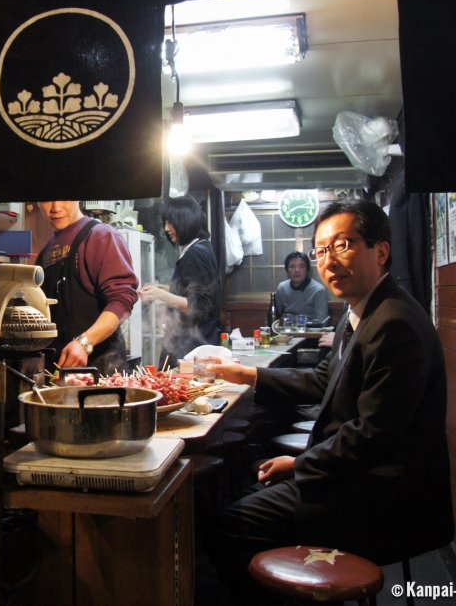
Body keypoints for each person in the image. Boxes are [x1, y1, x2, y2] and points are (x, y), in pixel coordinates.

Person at [207, 199, 453, 604]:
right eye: (321, 250)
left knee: (230, 524)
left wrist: (300, 464)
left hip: (383, 494)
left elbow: (373, 435)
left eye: (343, 245)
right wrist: (248, 374)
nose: (329, 260)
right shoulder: (361, 310)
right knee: (246, 493)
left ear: (382, 251)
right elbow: (325, 380)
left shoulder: (394, 323)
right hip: (360, 474)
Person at [36, 201, 138, 373]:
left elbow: (121, 301)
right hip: (60, 371)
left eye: (64, 198)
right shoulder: (47, 250)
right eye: (47, 199)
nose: (56, 207)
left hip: (102, 370)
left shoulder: (101, 236)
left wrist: (85, 342)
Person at [138, 195, 220, 369]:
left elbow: (200, 307)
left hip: (191, 350)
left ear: (185, 221)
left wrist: (161, 295)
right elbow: (197, 290)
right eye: (165, 223)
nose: (166, 228)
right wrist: (167, 288)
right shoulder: (201, 247)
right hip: (194, 346)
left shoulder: (195, 253)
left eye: (171, 223)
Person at [274, 251, 329, 324]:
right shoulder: (282, 288)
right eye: (292, 266)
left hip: (311, 332)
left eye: (301, 266)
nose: (297, 270)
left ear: (307, 269)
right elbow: (276, 317)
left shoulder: (318, 290)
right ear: (287, 270)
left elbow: (322, 321)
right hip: (286, 331)